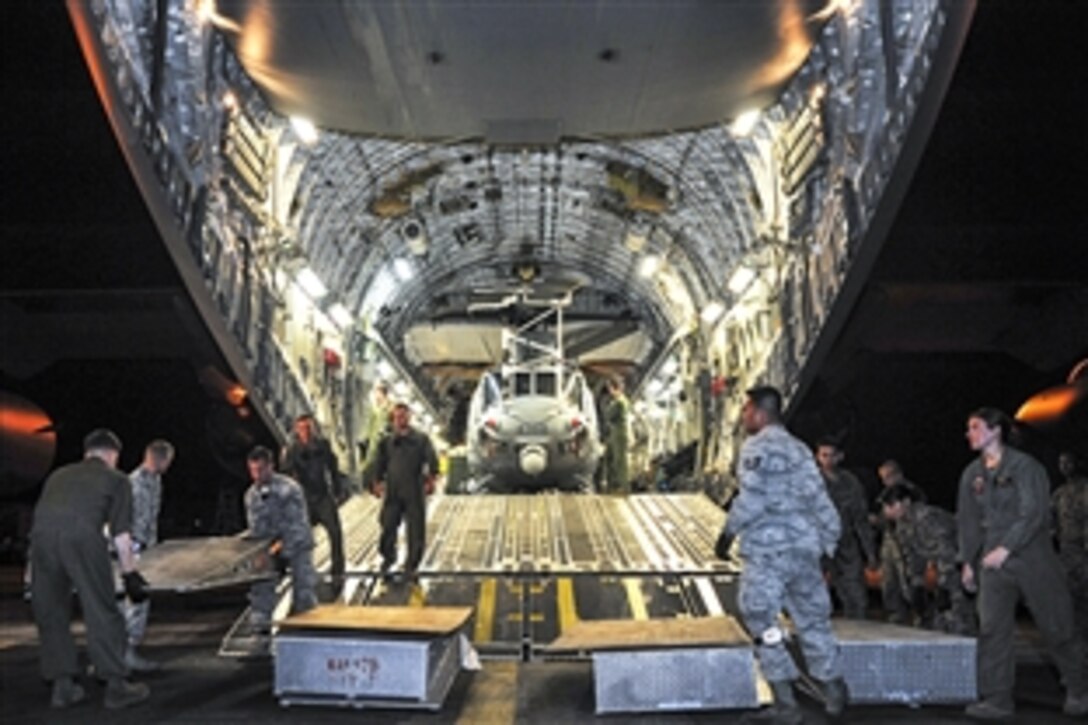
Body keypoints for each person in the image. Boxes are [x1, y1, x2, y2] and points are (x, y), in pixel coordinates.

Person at [718, 386, 847, 723]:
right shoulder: (801, 450)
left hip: (769, 552)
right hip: (805, 552)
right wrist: (828, 546)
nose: (744, 416)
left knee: (763, 621)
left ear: (761, 412)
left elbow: (753, 499)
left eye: (746, 410)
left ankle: (785, 702)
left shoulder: (756, 447)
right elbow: (821, 500)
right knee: (813, 621)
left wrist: (728, 532)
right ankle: (833, 689)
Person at [956, 408, 1085, 720]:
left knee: (1058, 626)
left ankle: (1080, 689)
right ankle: (997, 699)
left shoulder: (1026, 467)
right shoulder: (972, 474)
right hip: (991, 560)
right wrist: (968, 562)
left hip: (1032, 555)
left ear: (995, 430)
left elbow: (1035, 513)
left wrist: (1007, 547)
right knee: (992, 630)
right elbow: (968, 521)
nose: (968, 433)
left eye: (975, 427)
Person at [30, 429, 151, 709]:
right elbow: (122, 537)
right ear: (112, 455)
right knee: (101, 608)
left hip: (41, 541)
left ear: (87, 452)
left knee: (51, 613)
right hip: (83, 538)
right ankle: (115, 685)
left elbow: (44, 516)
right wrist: (130, 573)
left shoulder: (58, 475)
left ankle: (62, 686)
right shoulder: (117, 479)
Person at [879, 483, 974, 635]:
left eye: (891, 505)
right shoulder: (902, 525)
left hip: (957, 564)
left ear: (906, 502)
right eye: (886, 506)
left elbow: (947, 551)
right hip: (941, 565)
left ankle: (966, 642)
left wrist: (945, 585)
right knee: (930, 616)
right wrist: (917, 584)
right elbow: (912, 555)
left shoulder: (927, 518)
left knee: (956, 610)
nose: (887, 511)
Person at [244, 446, 318, 631]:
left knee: (304, 586)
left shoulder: (289, 489)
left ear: (271, 466)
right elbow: (257, 529)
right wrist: (261, 553)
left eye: (260, 469)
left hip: (296, 543)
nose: (257, 475)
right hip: (271, 545)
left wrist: (281, 548)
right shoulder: (251, 496)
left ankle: (306, 622)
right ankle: (261, 623)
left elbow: (297, 526)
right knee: (260, 580)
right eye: (253, 470)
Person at [121, 439, 174, 672]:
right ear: (160, 458)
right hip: (133, 551)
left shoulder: (155, 481)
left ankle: (122, 652)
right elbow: (130, 522)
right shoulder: (135, 483)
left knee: (138, 602)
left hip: (145, 549)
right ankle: (124, 653)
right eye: (168, 461)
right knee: (133, 601)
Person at [372, 402, 438, 582]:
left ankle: (412, 565)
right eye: (397, 416)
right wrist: (377, 482)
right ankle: (388, 557)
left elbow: (432, 460)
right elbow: (379, 463)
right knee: (388, 525)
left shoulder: (421, 439)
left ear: (409, 417)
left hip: (414, 489)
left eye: (404, 416)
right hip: (393, 490)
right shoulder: (386, 441)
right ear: (393, 419)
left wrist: (431, 480)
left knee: (416, 530)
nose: (401, 419)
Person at [280, 414, 345, 588]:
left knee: (335, 533)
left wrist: (338, 490)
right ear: (296, 430)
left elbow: (332, 467)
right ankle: (303, 571)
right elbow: (285, 473)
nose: (305, 432)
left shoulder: (323, 445)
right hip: (304, 499)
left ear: (313, 428)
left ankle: (338, 571)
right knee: (302, 539)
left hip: (323, 496)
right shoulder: (293, 450)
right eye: (301, 428)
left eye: (308, 428)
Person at [816, 437, 876, 619]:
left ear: (840, 457)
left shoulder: (851, 483)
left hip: (845, 543)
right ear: (817, 456)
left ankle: (858, 633)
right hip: (816, 544)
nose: (827, 460)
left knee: (855, 595)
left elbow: (861, 521)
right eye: (823, 455)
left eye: (832, 455)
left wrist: (870, 553)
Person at [873, 459, 927, 623]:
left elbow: (916, 519)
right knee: (889, 584)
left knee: (910, 583)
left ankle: (920, 617)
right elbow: (885, 520)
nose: (886, 481)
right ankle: (896, 617)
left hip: (909, 544)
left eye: (888, 476)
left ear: (898, 474)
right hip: (891, 542)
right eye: (883, 478)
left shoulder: (911, 494)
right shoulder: (886, 495)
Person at [1052, 451, 1087, 673]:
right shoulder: (1060, 493)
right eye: (1061, 463)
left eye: (1068, 462)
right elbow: (1049, 520)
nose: (1064, 467)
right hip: (1067, 553)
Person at [361, 381, 393, 490]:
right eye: (375, 393)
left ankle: (376, 486)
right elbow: (370, 426)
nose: (376, 395)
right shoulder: (375, 409)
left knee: (377, 467)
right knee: (369, 465)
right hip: (373, 443)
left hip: (382, 445)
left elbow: (391, 427)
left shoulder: (389, 409)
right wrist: (366, 438)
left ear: (383, 393)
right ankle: (370, 486)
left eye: (377, 392)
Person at [602, 376, 630, 493]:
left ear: (615, 388)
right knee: (609, 458)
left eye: (610, 388)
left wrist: (606, 406)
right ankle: (612, 485)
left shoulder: (619, 402)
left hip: (619, 434)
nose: (609, 391)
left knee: (620, 461)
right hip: (615, 434)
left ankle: (623, 487)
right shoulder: (620, 401)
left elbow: (608, 415)